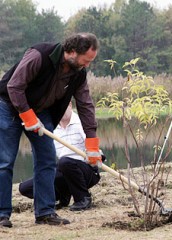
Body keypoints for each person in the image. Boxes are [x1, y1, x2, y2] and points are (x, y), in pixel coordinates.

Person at [0, 33, 102, 228]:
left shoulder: (78, 73)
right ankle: (2, 214)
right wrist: (28, 117)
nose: (87, 65)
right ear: (71, 52)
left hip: (41, 110)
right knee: (4, 162)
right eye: (85, 60)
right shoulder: (39, 55)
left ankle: (45, 212)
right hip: (8, 107)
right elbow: (14, 86)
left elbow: (86, 105)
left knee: (47, 160)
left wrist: (92, 143)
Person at [19, 102, 101, 211]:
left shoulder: (82, 123)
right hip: (63, 170)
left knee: (65, 162)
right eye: (58, 108)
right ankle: (63, 196)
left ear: (70, 106)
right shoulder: (51, 128)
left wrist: (94, 156)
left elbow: (96, 152)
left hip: (86, 170)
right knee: (25, 188)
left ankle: (83, 198)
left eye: (64, 107)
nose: (61, 111)